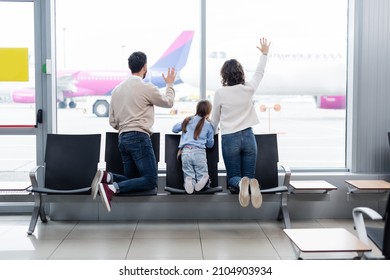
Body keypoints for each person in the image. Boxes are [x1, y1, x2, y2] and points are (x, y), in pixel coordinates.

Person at [91, 51, 176, 212]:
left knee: (132, 180)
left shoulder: (117, 90)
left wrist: (125, 127)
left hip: (122, 138)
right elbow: (168, 102)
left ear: (130, 67)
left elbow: (112, 121)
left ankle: (108, 177)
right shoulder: (146, 87)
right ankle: (112, 188)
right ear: (145, 67)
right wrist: (169, 84)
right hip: (139, 137)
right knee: (150, 180)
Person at [210, 37, 271, 209]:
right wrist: (264, 54)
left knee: (233, 177)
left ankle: (240, 183)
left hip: (230, 138)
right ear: (240, 74)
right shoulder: (248, 89)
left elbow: (214, 119)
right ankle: (249, 183)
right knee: (249, 177)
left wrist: (211, 137)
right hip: (249, 136)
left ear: (224, 75)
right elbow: (259, 73)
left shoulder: (220, 93)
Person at [172, 100, 215, 194]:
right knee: (201, 173)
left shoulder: (188, 120)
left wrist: (184, 121)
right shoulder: (208, 125)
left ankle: (189, 181)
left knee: (188, 173)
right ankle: (202, 180)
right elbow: (210, 145)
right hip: (199, 152)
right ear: (208, 111)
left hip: (185, 153)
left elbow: (174, 129)